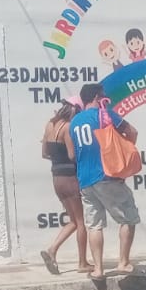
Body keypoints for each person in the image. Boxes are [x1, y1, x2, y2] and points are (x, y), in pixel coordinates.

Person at [66, 83, 141, 279]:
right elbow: (132, 131)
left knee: (94, 225)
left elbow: (72, 154)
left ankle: (98, 269)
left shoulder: (74, 123)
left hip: (85, 179)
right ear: (97, 98)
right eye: (104, 97)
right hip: (107, 175)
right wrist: (123, 150)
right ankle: (123, 262)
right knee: (128, 217)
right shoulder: (104, 114)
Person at [39, 97, 91, 275]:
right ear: (75, 110)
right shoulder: (67, 128)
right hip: (70, 178)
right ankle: (83, 263)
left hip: (56, 178)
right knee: (81, 222)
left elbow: (45, 153)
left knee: (73, 221)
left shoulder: (49, 125)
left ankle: (52, 250)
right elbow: (72, 156)